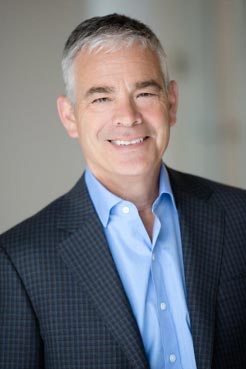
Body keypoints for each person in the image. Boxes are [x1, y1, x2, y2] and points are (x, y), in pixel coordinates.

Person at [0, 13, 245, 369]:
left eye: (144, 93)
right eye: (101, 98)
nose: (128, 116)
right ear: (69, 116)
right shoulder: (18, 262)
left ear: (171, 102)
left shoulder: (239, 215)